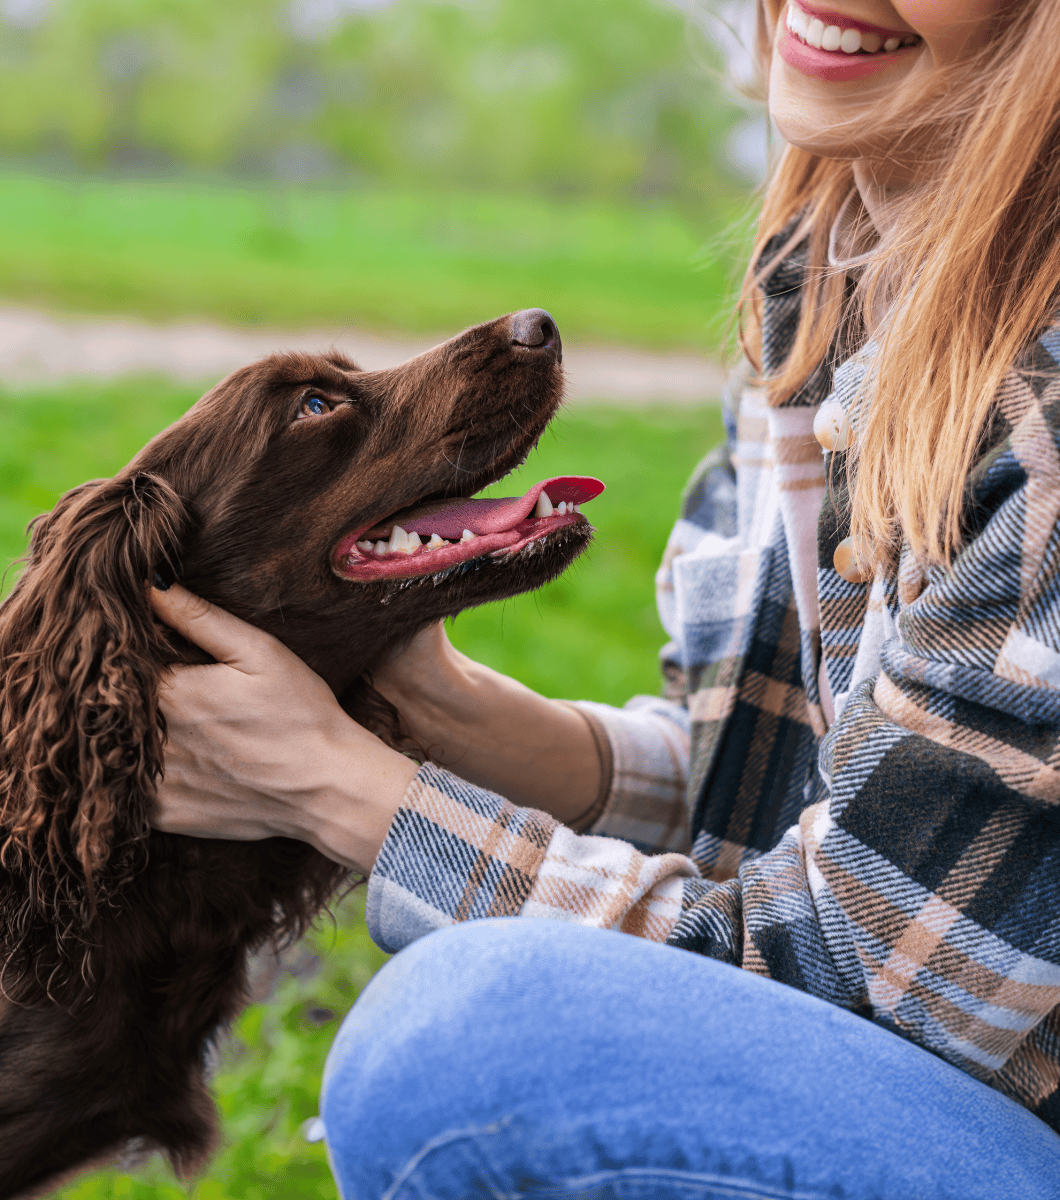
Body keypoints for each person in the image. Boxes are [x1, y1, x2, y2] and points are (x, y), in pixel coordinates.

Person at [148, 1, 1060, 1195]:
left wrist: (348, 789)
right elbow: (776, 779)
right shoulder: (832, 281)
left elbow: (848, 971)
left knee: (470, 1048)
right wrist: (438, 713)